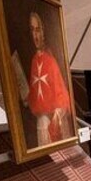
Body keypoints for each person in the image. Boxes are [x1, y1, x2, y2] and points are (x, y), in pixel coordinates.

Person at [25, 11, 72, 146]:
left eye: (38, 30)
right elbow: (35, 92)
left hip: (55, 118)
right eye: (32, 30)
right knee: (42, 124)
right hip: (43, 119)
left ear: (43, 32)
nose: (35, 35)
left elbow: (60, 93)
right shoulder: (34, 61)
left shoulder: (50, 59)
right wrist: (27, 98)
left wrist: (57, 112)